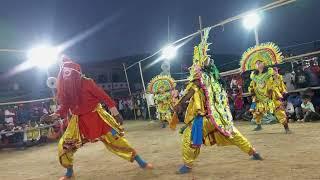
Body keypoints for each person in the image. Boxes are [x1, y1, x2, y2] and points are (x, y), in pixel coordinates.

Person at [173, 28, 262, 174]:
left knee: (190, 137)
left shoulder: (199, 79)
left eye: (196, 63)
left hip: (204, 119)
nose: (193, 66)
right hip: (220, 117)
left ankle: (187, 165)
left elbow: (189, 92)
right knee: (233, 133)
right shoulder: (216, 81)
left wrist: (179, 104)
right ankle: (253, 152)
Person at [50, 57, 152, 180]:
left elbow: (104, 96)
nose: (66, 77)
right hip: (78, 121)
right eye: (64, 74)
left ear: (75, 72)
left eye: (68, 73)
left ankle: (141, 162)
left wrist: (115, 113)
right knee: (65, 145)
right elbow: (65, 106)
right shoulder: (66, 88)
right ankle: (69, 172)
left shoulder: (87, 82)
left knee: (117, 140)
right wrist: (55, 115)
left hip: (98, 118)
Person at [241, 42, 291, 133]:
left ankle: (286, 128)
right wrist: (251, 90)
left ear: (264, 63)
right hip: (259, 97)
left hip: (269, 96)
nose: (258, 64)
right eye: (256, 63)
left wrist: (276, 77)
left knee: (278, 110)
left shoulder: (270, 72)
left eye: (259, 62)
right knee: (257, 112)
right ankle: (258, 125)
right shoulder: (253, 75)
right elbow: (252, 84)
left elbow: (276, 80)